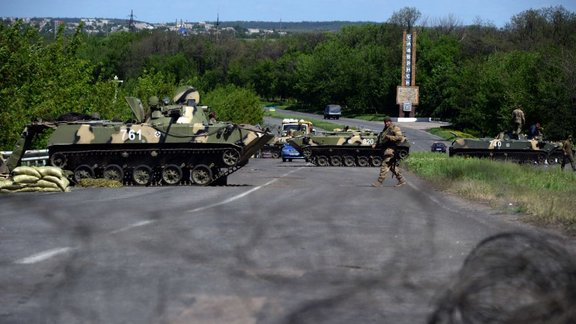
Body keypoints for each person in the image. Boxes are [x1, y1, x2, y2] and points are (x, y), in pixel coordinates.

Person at [372, 117, 406, 187]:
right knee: (392, 167)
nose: (386, 123)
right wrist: (375, 143)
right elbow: (380, 136)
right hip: (386, 149)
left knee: (385, 165)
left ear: (390, 121)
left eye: (387, 121)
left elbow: (400, 137)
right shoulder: (386, 129)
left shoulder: (395, 128)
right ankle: (401, 180)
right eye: (385, 122)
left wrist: (389, 137)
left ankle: (379, 182)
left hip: (391, 149)